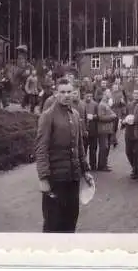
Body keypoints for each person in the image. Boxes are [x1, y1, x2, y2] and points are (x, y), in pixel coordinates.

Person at [35, 78, 93, 233]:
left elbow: (79, 146)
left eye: (69, 92)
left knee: (71, 219)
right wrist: (43, 178)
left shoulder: (74, 114)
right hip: (56, 179)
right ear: (56, 94)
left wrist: (85, 170)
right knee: (53, 223)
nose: (66, 95)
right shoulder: (48, 116)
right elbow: (41, 149)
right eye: (62, 92)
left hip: (72, 178)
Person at [122, 89, 138, 178]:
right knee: (128, 151)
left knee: (137, 151)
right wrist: (124, 120)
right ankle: (134, 166)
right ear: (133, 95)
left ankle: (136, 170)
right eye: (135, 93)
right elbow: (124, 115)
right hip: (129, 131)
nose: (136, 95)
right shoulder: (129, 105)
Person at [96, 89, 117, 172]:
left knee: (106, 147)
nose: (110, 94)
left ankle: (104, 164)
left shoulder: (106, 104)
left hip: (107, 128)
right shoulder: (101, 105)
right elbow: (101, 117)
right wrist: (112, 117)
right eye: (109, 92)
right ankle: (101, 165)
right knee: (104, 147)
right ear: (105, 94)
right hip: (103, 129)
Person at [83, 91, 99, 171]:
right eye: (87, 96)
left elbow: (98, 116)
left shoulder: (95, 104)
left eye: (90, 96)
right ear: (84, 96)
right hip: (84, 130)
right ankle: (84, 165)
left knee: (93, 149)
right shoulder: (82, 104)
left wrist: (93, 116)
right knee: (83, 149)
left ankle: (93, 165)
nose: (88, 98)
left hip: (93, 130)